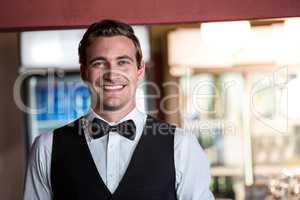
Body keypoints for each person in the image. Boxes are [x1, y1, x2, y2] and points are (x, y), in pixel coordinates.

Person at [23, 19, 214, 200]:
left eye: (123, 62)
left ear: (140, 70)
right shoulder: (46, 148)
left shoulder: (182, 145)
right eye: (99, 63)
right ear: (84, 72)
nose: (112, 75)